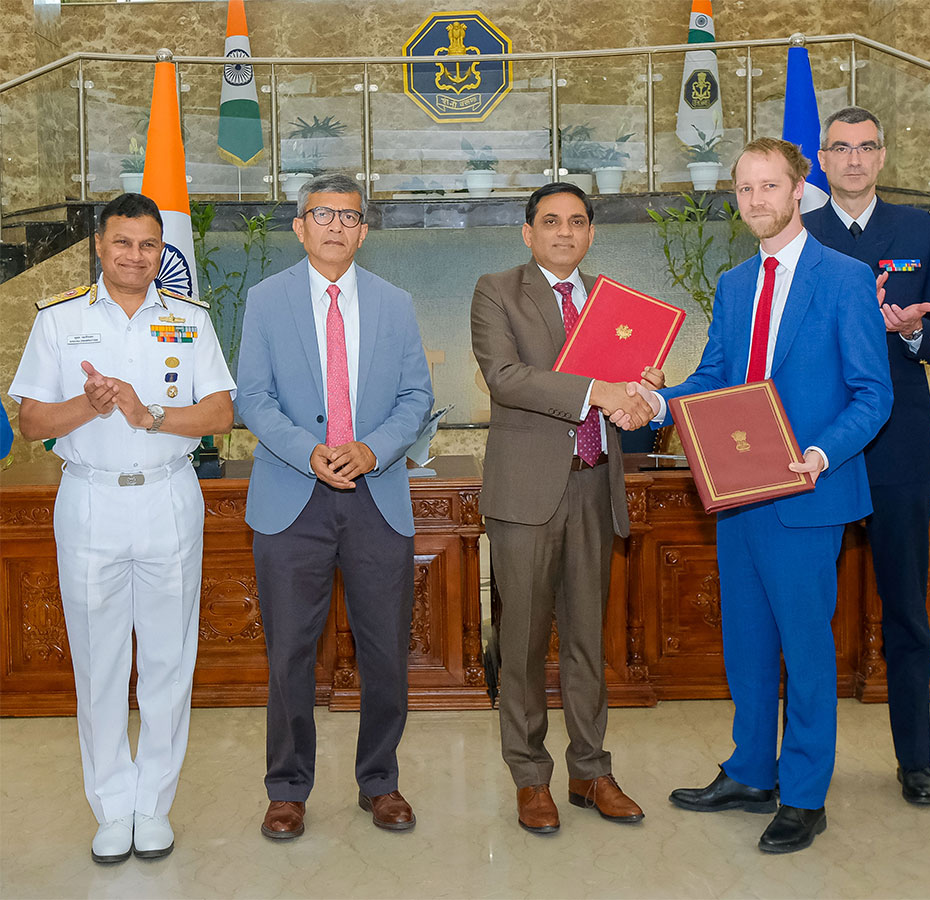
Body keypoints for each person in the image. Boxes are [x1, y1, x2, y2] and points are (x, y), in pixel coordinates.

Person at [639, 138, 892, 853]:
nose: (756, 200)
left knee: (806, 652)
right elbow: (714, 379)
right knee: (746, 641)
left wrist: (822, 454)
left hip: (808, 494)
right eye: (745, 188)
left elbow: (873, 395)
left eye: (769, 186)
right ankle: (751, 771)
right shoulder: (734, 284)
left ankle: (804, 793)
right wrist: (656, 401)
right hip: (737, 492)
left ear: (798, 190)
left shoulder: (845, 279)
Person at [7, 192, 236, 864]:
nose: (135, 256)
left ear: (162, 249)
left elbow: (221, 414)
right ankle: (111, 806)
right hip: (90, 501)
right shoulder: (60, 320)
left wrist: (148, 415)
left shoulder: (188, 319)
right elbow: (31, 422)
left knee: (169, 661)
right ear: (99, 247)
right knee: (98, 661)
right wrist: (90, 404)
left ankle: (152, 805)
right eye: (122, 242)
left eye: (148, 244)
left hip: (168, 497)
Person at [236, 174, 433, 841]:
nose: (335, 227)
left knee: (385, 651)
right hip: (293, 498)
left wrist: (372, 450)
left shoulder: (395, 303)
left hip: (377, 496)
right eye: (322, 214)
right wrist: (307, 450)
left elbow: (415, 397)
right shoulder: (266, 300)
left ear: (364, 231)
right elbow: (253, 397)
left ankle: (380, 781)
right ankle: (287, 789)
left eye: (349, 217)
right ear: (300, 226)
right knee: (290, 652)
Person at [470, 182, 656, 834]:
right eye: (551, 221)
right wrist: (601, 390)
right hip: (526, 494)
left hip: (594, 486)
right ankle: (530, 777)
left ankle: (591, 771)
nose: (564, 232)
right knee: (521, 644)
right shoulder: (497, 291)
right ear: (529, 233)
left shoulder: (612, 302)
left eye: (577, 221)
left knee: (586, 642)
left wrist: (643, 387)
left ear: (591, 233)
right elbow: (506, 378)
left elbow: (630, 387)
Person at [805, 105, 930, 805]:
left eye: (866, 147)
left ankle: (916, 760)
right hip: (821, 445)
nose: (854, 160)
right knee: (807, 610)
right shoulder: (799, 233)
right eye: (841, 148)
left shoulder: (921, 231)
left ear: (882, 155)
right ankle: (802, 762)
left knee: (905, 607)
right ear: (821, 159)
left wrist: (910, 335)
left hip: (898, 444)